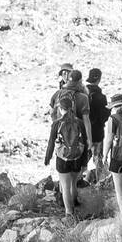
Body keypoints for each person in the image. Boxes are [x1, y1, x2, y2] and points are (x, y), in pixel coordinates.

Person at [44, 91, 89, 220]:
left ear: (60, 108)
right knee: (73, 183)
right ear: (72, 107)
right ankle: (75, 204)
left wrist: (47, 158)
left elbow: (51, 143)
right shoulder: (79, 123)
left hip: (62, 159)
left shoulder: (56, 124)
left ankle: (69, 213)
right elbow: (84, 143)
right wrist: (85, 162)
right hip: (77, 158)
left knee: (65, 186)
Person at [50, 69, 93, 156]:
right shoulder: (83, 98)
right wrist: (89, 139)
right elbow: (86, 121)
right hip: (78, 137)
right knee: (80, 165)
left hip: (62, 137)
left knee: (62, 161)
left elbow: (52, 113)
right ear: (80, 81)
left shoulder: (57, 94)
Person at [86, 68, 110, 180]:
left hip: (84, 133)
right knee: (98, 159)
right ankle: (101, 181)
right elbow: (103, 118)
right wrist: (108, 110)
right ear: (99, 79)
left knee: (83, 160)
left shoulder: (82, 94)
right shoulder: (101, 97)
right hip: (97, 133)